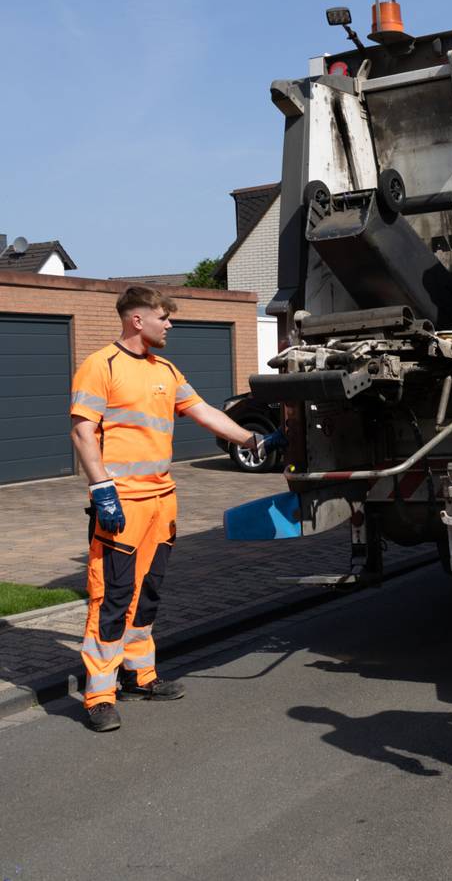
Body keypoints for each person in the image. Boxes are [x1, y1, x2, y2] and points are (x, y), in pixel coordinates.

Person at [70, 286, 285, 733]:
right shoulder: (100, 365)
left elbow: (204, 412)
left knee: (148, 592)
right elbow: (82, 431)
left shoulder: (165, 369)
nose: (170, 324)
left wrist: (253, 440)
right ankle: (100, 696)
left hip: (161, 500)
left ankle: (140, 676)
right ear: (137, 320)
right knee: (112, 597)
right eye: (163, 317)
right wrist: (102, 489)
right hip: (122, 502)